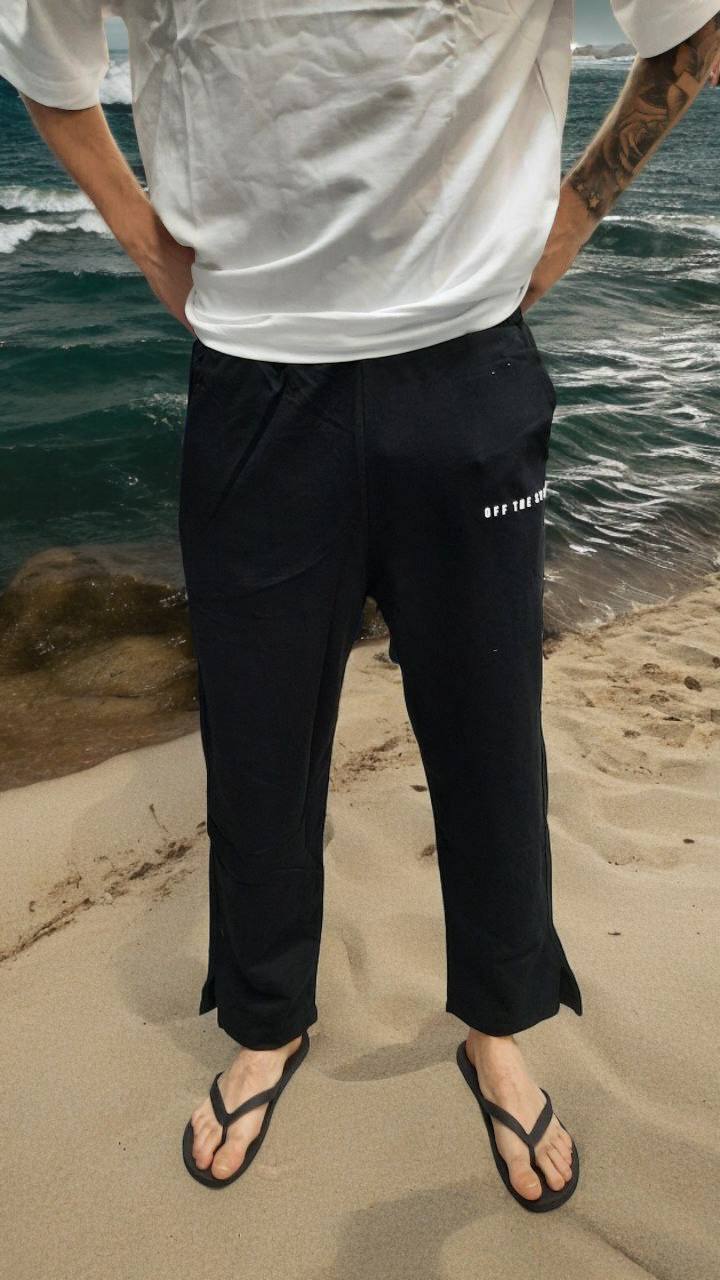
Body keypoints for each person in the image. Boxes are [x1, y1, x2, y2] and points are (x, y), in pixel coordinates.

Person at [1, 0, 718, 1209]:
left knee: (490, 733)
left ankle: (499, 1024)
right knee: (259, 737)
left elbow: (690, 27)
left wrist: (566, 223)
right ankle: (266, 1018)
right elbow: (45, 53)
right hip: (254, 376)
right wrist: (148, 244)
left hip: (466, 362)